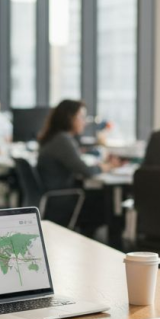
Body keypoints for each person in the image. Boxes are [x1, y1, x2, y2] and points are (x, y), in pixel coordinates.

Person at [37, 99, 121, 235]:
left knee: (101, 196)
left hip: (57, 194)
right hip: (65, 197)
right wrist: (108, 167)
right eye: (81, 117)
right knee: (107, 201)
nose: (85, 122)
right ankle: (111, 245)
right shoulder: (62, 140)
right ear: (69, 118)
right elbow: (86, 171)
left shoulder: (55, 137)